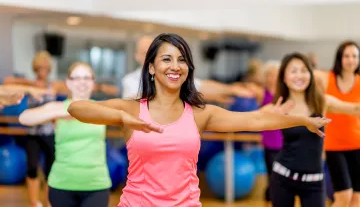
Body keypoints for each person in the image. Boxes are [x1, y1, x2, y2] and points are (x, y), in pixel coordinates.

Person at [67, 33, 330, 207]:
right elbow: (77, 108)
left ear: (188, 68)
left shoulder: (201, 114)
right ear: (151, 67)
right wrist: (123, 117)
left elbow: (257, 120)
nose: (175, 66)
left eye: (182, 60)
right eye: (166, 59)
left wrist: (301, 120)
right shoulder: (132, 108)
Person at [267, 52, 360, 207]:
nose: (299, 75)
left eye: (304, 70)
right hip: (283, 178)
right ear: (284, 77)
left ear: (310, 74)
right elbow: (254, 118)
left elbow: (354, 109)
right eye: (294, 71)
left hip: (314, 182)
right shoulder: (278, 106)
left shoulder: (321, 102)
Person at [19, 62, 112, 207]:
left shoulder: (103, 108)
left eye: (87, 78)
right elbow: (24, 118)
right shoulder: (58, 108)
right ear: (68, 82)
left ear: (93, 82)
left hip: (97, 185)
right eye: (77, 78)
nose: (82, 82)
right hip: (61, 185)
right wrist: (64, 111)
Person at [122, 35, 254, 104]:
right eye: (145, 52)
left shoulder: (173, 76)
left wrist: (232, 90)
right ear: (137, 56)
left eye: (181, 59)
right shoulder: (130, 81)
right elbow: (135, 102)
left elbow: (201, 86)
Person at [314, 41, 360, 207]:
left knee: (357, 198)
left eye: (354, 56)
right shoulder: (328, 79)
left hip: (357, 144)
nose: (350, 60)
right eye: (346, 56)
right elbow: (309, 73)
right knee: (343, 196)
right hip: (334, 146)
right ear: (339, 58)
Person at [234, 60, 282, 207]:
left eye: (274, 75)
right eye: (268, 75)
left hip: (285, 143)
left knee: (283, 180)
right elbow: (243, 86)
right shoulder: (262, 93)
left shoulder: (284, 93)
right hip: (269, 143)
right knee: (273, 178)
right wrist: (253, 69)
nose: (271, 78)